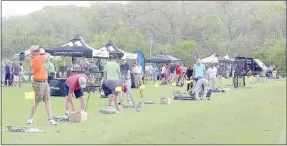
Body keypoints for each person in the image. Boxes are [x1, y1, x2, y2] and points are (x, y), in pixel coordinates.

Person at [27, 45, 57, 125]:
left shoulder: (39, 57)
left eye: (39, 50)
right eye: (37, 50)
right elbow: (48, 55)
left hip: (45, 82)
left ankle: (50, 119)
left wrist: (42, 52)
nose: (39, 51)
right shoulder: (37, 58)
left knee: (47, 100)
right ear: (33, 53)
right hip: (38, 83)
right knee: (37, 101)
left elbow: (47, 55)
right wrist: (43, 52)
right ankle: (30, 118)